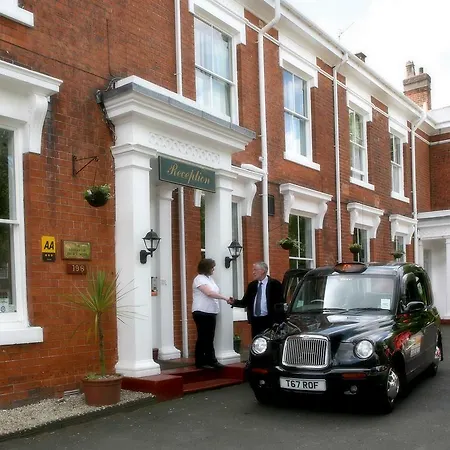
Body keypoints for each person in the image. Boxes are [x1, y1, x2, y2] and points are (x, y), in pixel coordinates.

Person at [192, 258, 232, 369]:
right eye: (212, 267)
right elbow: (209, 293)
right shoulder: (199, 279)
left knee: (209, 337)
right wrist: (225, 298)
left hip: (211, 312)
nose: (213, 269)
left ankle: (209, 359)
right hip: (201, 311)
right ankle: (203, 361)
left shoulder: (209, 279)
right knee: (203, 337)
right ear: (206, 268)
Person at [231, 261, 284, 338]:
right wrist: (234, 302)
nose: (253, 272)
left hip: (269, 321)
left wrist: (278, 321)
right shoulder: (252, 285)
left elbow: (280, 304)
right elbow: (245, 302)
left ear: (262, 271)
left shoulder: (275, 284)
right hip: (255, 321)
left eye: (255, 270)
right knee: (256, 342)